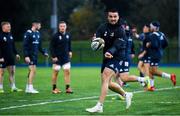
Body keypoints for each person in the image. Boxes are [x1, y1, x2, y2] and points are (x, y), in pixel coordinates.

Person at [86, 9, 133, 113]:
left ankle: (99, 105)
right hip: (106, 56)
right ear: (108, 17)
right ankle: (126, 95)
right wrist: (94, 40)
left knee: (106, 77)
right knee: (107, 82)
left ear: (118, 17)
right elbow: (97, 38)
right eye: (111, 16)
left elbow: (118, 44)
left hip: (117, 56)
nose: (113, 19)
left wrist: (111, 51)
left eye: (115, 16)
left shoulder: (121, 29)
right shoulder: (103, 27)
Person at [147, 21, 176, 90]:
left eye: (151, 26)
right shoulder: (161, 34)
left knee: (153, 71)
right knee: (150, 70)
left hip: (155, 54)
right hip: (158, 53)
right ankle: (151, 86)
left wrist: (149, 44)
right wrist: (160, 49)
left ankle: (170, 76)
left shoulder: (153, 35)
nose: (150, 27)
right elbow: (166, 43)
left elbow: (155, 45)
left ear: (154, 27)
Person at [23, 21, 48, 94]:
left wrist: (44, 52)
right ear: (35, 25)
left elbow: (39, 46)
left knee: (32, 71)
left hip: (35, 55)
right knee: (32, 71)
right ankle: (30, 88)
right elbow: (25, 45)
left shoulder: (38, 33)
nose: (40, 26)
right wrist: (26, 56)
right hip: (30, 55)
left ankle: (28, 88)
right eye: (39, 25)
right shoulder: (28, 33)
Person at [50, 21, 73, 94]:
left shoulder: (68, 35)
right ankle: (54, 88)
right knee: (55, 73)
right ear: (59, 27)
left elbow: (69, 45)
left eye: (64, 26)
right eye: (61, 26)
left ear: (66, 27)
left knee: (67, 72)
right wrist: (54, 56)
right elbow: (51, 47)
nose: (62, 27)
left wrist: (70, 51)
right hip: (57, 58)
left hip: (66, 58)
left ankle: (68, 88)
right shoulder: (55, 36)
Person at [0, 21, 22, 93]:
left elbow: (13, 46)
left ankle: (13, 87)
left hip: (10, 57)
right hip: (3, 58)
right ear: (3, 27)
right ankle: (0, 87)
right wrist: (0, 57)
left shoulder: (10, 35)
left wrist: (16, 54)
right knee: (1, 73)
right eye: (8, 26)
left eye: (10, 26)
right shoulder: (0, 36)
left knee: (12, 72)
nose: (10, 27)